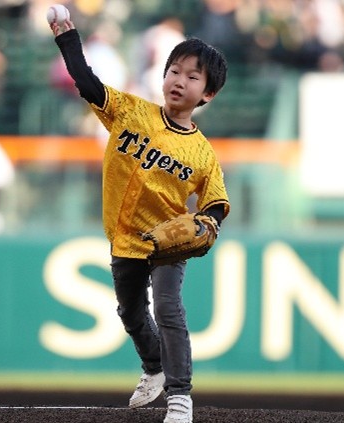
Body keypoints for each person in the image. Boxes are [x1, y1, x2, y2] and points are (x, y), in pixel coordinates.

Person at [50, 13, 230, 423]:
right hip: (124, 237)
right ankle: (153, 365)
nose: (179, 81)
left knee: (168, 308)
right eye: (174, 71)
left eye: (193, 77)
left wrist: (206, 222)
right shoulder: (130, 111)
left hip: (168, 240)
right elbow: (86, 82)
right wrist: (67, 37)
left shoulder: (202, 153)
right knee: (130, 313)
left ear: (208, 93)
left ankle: (180, 396)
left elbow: (216, 201)